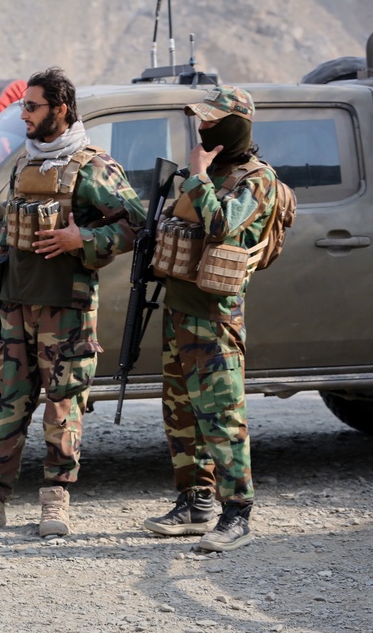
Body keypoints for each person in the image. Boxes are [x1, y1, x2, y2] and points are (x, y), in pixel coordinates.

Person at [0, 67, 145, 537]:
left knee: (63, 406)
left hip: (66, 310)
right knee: (8, 404)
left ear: (60, 109)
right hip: (17, 306)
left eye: (32, 107)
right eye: (23, 107)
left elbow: (136, 224)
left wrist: (84, 238)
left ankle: (55, 502)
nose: (24, 116)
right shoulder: (26, 160)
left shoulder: (93, 165)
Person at [143, 86, 277, 552]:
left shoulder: (257, 180)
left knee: (221, 416)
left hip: (215, 319)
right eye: (200, 119)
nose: (203, 127)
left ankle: (237, 512)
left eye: (213, 120)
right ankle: (195, 502)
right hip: (180, 311)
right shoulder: (206, 172)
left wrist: (198, 178)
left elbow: (221, 225)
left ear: (237, 124)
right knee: (181, 414)